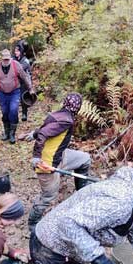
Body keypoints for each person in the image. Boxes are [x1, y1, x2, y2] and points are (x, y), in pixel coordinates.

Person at [25, 92, 91, 229]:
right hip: (47, 163)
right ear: (78, 108)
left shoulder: (58, 115)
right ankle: (32, 223)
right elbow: (44, 133)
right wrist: (36, 156)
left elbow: (45, 130)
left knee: (85, 159)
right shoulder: (65, 120)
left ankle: (81, 191)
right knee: (49, 196)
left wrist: (33, 134)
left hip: (60, 155)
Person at [0, 48, 33, 144]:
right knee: (5, 112)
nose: (6, 61)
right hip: (2, 93)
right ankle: (6, 132)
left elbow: (24, 77)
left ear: (10, 58)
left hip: (14, 92)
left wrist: (30, 89)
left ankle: (12, 133)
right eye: (4, 59)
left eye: (8, 59)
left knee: (13, 110)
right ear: (2, 59)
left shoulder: (16, 65)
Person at [13, 42, 32, 122]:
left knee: (23, 98)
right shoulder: (13, 59)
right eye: (15, 51)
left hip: (24, 81)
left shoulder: (25, 61)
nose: (16, 52)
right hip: (15, 82)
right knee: (14, 99)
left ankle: (24, 113)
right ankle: (14, 114)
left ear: (21, 51)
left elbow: (20, 69)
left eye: (17, 51)